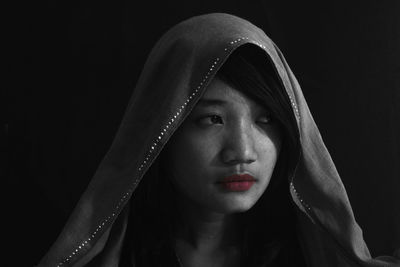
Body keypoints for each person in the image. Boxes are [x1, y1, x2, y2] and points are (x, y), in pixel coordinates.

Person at [38, 13, 400, 267]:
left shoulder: (306, 255)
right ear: (163, 130)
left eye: (266, 119)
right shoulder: (120, 257)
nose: (241, 152)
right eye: (212, 119)